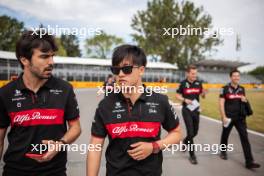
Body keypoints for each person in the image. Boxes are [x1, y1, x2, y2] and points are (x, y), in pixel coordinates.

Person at [87, 44, 182, 176]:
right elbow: (95, 148)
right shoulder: (105, 105)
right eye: (116, 69)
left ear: (141, 70)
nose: (120, 74)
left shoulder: (160, 101)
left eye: (126, 69)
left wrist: (154, 146)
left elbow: (177, 134)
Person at [0, 30, 81, 175]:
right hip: (15, 171)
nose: (51, 62)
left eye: (52, 56)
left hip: (55, 172)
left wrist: (60, 144)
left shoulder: (64, 88)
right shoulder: (5, 93)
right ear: (24, 60)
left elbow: (76, 128)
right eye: (44, 57)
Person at [219, 69, 260, 169]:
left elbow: (243, 101)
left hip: (240, 118)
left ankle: (249, 161)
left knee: (245, 138)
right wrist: (223, 117)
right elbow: (221, 103)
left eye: (238, 76)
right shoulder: (223, 88)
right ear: (231, 77)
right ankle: (223, 152)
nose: (237, 77)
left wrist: (245, 100)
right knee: (225, 135)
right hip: (228, 117)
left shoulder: (242, 89)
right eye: (234, 76)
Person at [176, 65, 206, 164]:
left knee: (195, 132)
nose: (194, 75)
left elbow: (202, 95)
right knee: (190, 132)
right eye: (193, 74)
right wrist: (185, 99)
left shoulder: (199, 83)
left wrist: (204, 93)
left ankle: (185, 141)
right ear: (188, 73)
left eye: (195, 74)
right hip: (186, 110)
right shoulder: (183, 83)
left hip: (196, 109)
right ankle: (192, 156)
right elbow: (177, 95)